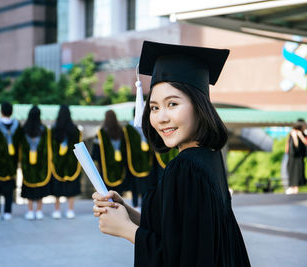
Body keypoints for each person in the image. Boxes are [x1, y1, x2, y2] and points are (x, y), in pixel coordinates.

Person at [92, 41, 250, 266]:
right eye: (154, 107)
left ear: (199, 105)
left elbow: (182, 257)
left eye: (172, 104)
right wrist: (126, 211)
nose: (161, 117)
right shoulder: (208, 157)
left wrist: (126, 230)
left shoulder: (185, 168)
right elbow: (182, 233)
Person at [50, 105, 82, 219]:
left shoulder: (54, 130)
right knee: (71, 186)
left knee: (58, 186)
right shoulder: (75, 130)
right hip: (71, 163)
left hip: (58, 163)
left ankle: (57, 210)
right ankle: (70, 210)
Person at [20, 106, 51, 220]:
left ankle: (30, 210)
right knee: (40, 187)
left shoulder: (23, 130)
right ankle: (39, 210)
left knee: (29, 186)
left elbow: (21, 148)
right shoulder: (44, 130)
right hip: (41, 165)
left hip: (27, 164)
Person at [92, 110, 129, 194]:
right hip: (120, 164)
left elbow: (96, 152)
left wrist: (96, 162)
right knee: (118, 191)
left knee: (106, 191)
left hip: (105, 165)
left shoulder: (101, 133)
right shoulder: (122, 131)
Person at [123, 109, 153, 209]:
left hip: (134, 160)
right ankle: (143, 204)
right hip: (141, 160)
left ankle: (136, 204)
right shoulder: (129, 128)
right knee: (144, 184)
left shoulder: (147, 126)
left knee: (135, 184)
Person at [285, 119, 307, 194]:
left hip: (299, 158)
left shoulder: (302, 134)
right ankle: (293, 188)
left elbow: (306, 144)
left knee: (297, 175)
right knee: (293, 174)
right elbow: (294, 148)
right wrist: (295, 137)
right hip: (293, 158)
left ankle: (295, 189)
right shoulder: (292, 134)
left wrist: (300, 136)